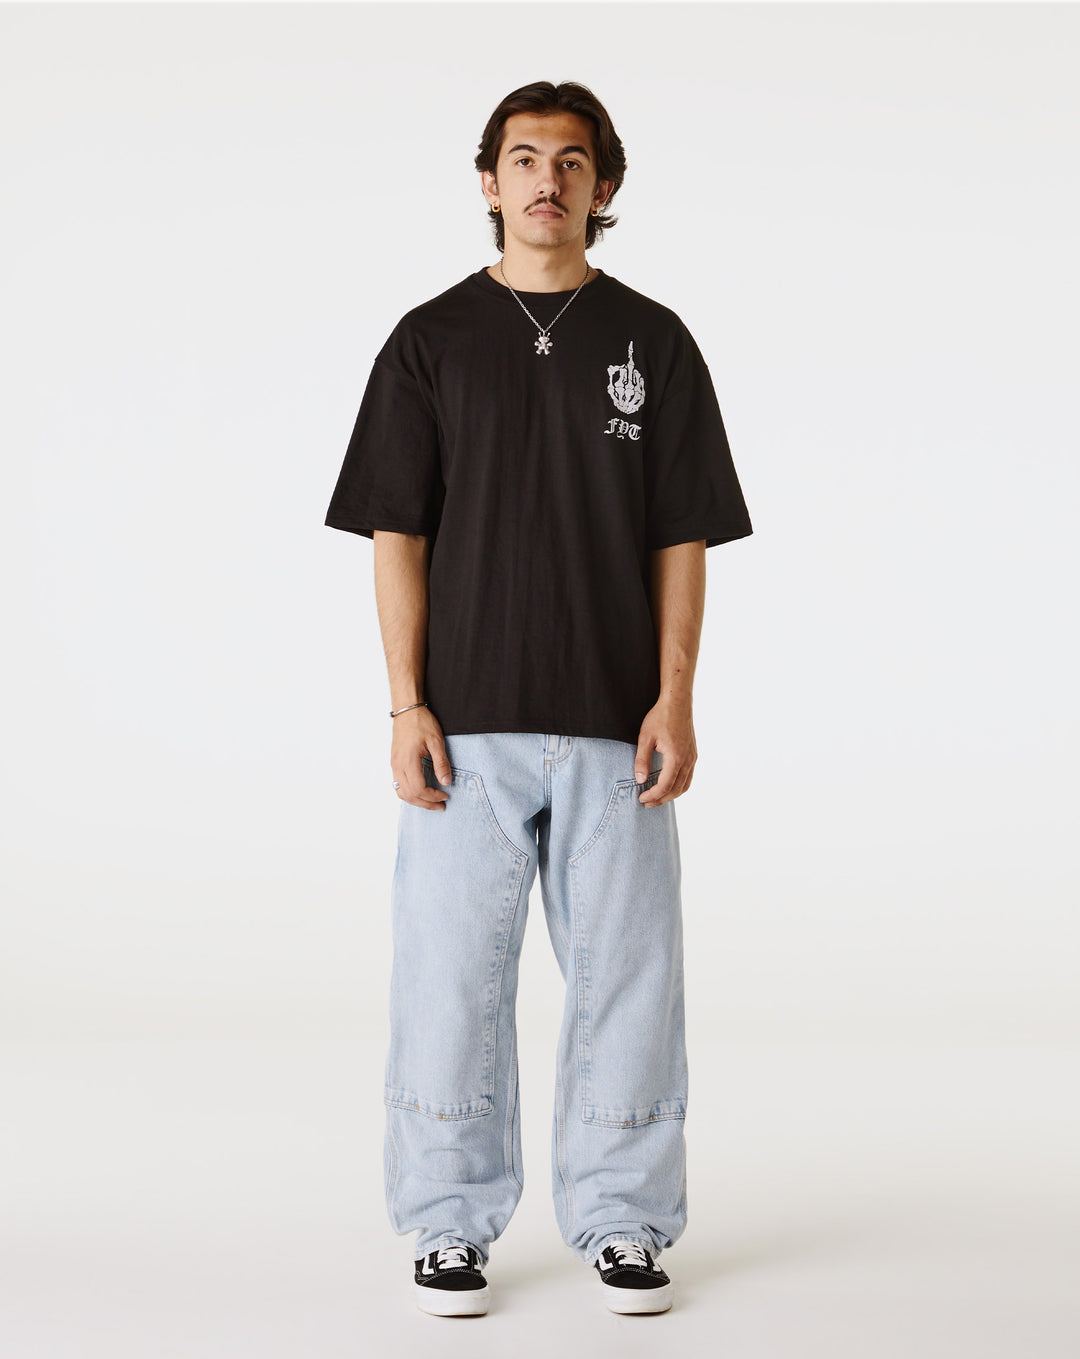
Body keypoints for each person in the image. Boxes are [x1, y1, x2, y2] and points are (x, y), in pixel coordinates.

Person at [324, 79, 753, 1317]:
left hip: (617, 723)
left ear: (602, 186)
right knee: (449, 980)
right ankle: (445, 1224)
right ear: (488, 180)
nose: (546, 181)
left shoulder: (654, 342)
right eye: (523, 159)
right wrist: (406, 705)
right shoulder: (431, 341)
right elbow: (396, 534)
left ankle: (624, 1220)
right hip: (465, 726)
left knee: (631, 981)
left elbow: (682, 536)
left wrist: (674, 698)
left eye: (571, 162)